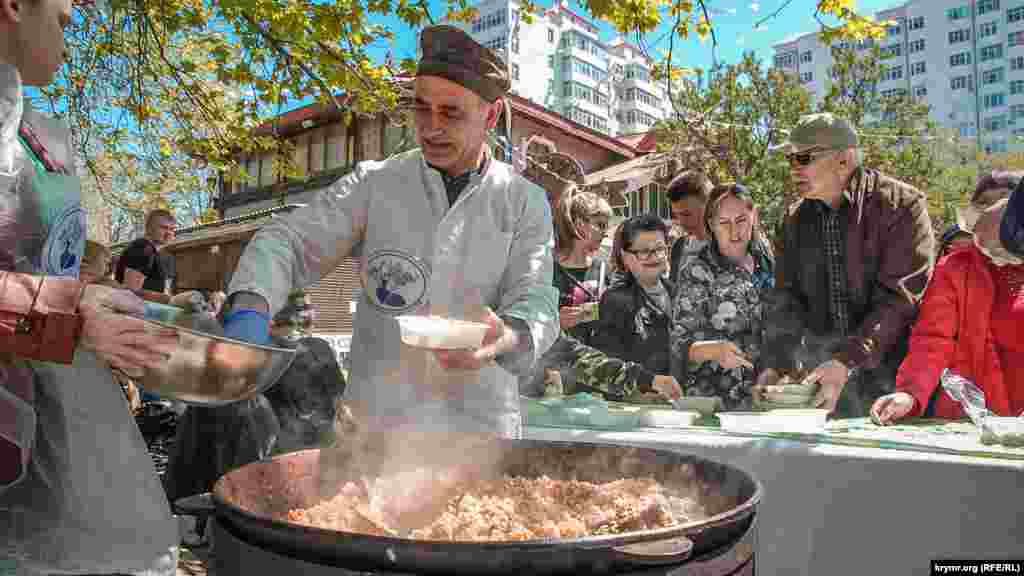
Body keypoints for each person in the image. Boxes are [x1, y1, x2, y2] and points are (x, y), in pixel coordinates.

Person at [218, 25, 558, 440]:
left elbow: (536, 298)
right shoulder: (375, 184)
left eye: (451, 112)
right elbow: (286, 240)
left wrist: (507, 336)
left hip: (479, 431)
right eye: (421, 108)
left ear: (490, 115)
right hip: (376, 428)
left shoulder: (523, 200)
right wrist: (251, 309)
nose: (430, 127)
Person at [0, 0, 180, 572]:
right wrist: (71, 317)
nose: (73, 22)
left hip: (31, 424)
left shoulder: (36, 136)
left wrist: (91, 301)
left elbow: (42, 270)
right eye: (61, 16)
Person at [756, 113, 935, 417]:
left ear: (844, 159)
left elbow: (899, 301)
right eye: (790, 159)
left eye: (803, 158)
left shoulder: (902, 206)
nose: (794, 168)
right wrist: (776, 365)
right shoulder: (793, 220)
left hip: (896, 388)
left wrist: (846, 361)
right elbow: (786, 301)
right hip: (825, 386)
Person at [872, 174, 1024, 424]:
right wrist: (910, 393)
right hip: (969, 417)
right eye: (983, 203)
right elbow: (932, 338)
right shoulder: (955, 267)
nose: (989, 212)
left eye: (1001, 202)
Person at [670, 184, 774, 410]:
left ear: (754, 216)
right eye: (724, 223)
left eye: (741, 220)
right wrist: (713, 350)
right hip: (715, 403)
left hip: (767, 397)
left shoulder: (768, 263)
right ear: (711, 224)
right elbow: (678, 345)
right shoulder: (698, 271)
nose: (734, 232)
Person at [591, 214, 675, 377]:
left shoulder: (679, 292)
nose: (654, 257)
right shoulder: (615, 300)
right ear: (625, 256)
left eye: (659, 249)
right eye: (644, 251)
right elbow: (610, 364)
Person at [553, 187, 611, 344]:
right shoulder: (546, 271)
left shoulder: (604, 269)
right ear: (579, 224)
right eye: (600, 225)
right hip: (556, 355)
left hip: (598, 355)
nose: (605, 232)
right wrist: (555, 323)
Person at [115, 208, 176, 294]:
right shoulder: (142, 248)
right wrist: (168, 299)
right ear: (148, 228)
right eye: (164, 228)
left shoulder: (152, 251)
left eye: (172, 229)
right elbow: (130, 291)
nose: (169, 233)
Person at [666, 170, 712, 282]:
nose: (681, 222)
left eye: (686, 214)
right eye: (676, 215)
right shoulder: (679, 246)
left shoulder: (733, 247)